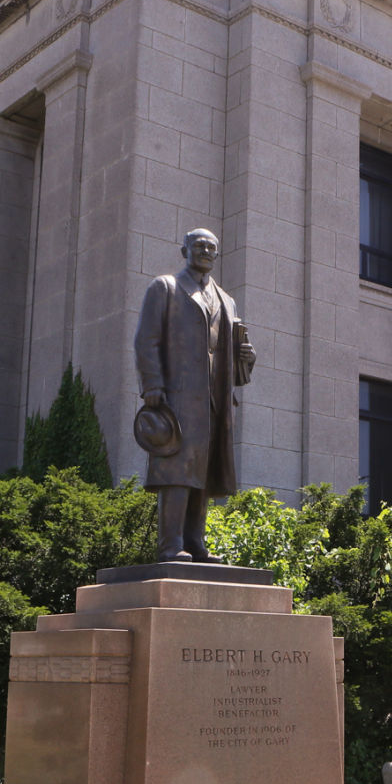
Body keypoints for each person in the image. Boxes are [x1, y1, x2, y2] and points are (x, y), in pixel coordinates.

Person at [133, 228, 257, 561]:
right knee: (177, 470)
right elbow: (147, 340)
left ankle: (195, 541)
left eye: (211, 247)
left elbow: (228, 352)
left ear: (217, 255)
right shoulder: (166, 288)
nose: (205, 251)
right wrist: (152, 385)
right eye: (199, 245)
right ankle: (170, 544)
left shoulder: (226, 300)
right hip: (177, 397)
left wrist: (246, 358)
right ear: (184, 249)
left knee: (203, 470)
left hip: (216, 400)